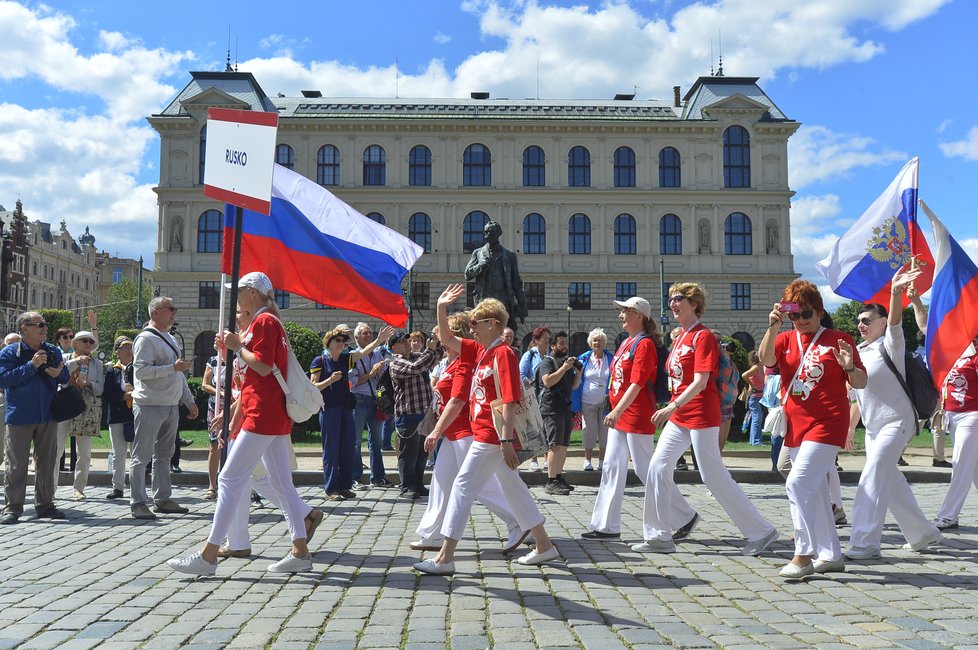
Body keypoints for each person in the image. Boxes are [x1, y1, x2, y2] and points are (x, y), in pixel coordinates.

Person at [166, 272, 320, 575]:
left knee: (229, 480)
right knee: (280, 483)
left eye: (239, 291)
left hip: (262, 413)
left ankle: (208, 555)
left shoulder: (265, 322)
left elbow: (263, 367)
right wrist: (235, 349)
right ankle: (299, 551)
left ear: (253, 293)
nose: (236, 296)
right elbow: (255, 373)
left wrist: (237, 346)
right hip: (263, 411)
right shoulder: (267, 321)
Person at [414, 284, 559, 575]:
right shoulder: (481, 351)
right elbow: (445, 337)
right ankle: (544, 545)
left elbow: (508, 398)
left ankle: (445, 558)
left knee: (463, 486)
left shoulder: (503, 353)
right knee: (514, 488)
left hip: (491, 435)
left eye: (475, 324)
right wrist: (441, 307)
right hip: (486, 433)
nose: (471, 329)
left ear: (492, 323)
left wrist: (505, 439)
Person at [637, 283, 778, 556]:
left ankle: (761, 531)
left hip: (701, 413)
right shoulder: (680, 338)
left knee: (712, 476)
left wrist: (671, 406)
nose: (672, 304)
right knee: (656, 468)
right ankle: (658, 536)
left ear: (694, 303)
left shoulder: (703, 337)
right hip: (681, 415)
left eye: (678, 299)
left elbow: (701, 382)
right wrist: (674, 407)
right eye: (670, 300)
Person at [759, 280, 866, 579]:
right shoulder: (783, 339)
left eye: (807, 313)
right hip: (796, 423)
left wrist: (848, 367)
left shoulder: (838, 338)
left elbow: (861, 383)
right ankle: (831, 554)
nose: (801, 320)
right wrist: (772, 327)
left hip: (829, 421)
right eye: (794, 314)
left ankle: (803, 554)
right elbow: (767, 361)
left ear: (819, 312)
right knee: (816, 491)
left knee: (797, 483)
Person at [844, 269, 944, 560]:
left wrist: (896, 293)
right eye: (858, 321)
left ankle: (864, 542)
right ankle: (921, 532)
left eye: (866, 320)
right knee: (891, 483)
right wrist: (851, 428)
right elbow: (858, 397)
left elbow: (897, 324)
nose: (860, 325)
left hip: (898, 422)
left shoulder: (891, 344)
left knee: (872, 477)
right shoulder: (858, 351)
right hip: (873, 428)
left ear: (882, 322)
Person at [411, 312, 524, 552]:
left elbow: (457, 401)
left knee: (481, 486)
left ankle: (519, 520)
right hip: (454, 434)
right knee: (441, 482)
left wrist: (436, 431)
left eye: (439, 335)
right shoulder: (450, 363)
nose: (437, 340)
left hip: (466, 432)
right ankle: (432, 532)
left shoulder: (464, 363)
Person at [582, 297, 672, 543]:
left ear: (639, 315)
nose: (621, 315)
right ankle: (606, 526)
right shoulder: (625, 343)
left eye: (626, 311)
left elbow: (637, 383)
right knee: (611, 467)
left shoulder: (644, 344)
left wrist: (616, 410)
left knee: (646, 469)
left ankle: (681, 516)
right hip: (622, 414)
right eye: (621, 311)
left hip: (636, 413)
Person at [129, 296, 199, 520]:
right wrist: (171, 367)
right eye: (171, 308)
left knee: (164, 455)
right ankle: (138, 502)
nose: (174, 313)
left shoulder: (169, 337)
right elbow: (141, 373)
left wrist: (188, 399)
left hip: (170, 404)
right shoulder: (145, 339)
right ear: (156, 312)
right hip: (149, 404)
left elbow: (178, 374)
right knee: (142, 456)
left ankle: (162, 498)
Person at [0, 312, 69, 524]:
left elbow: (65, 376)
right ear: (24, 328)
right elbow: (4, 380)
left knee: (47, 463)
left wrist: (60, 375)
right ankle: (13, 508)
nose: (44, 328)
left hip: (47, 415)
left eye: (44, 324)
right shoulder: (10, 352)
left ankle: (46, 505)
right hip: (20, 415)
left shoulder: (52, 350)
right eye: (38, 324)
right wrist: (32, 365)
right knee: (16, 464)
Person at [311, 324, 393, 501]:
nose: (342, 343)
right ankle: (331, 488)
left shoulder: (346, 358)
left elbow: (363, 353)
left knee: (348, 447)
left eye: (344, 340)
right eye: (338, 340)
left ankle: (345, 486)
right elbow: (313, 387)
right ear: (329, 342)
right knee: (331, 449)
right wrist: (329, 381)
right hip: (329, 409)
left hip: (346, 408)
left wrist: (379, 340)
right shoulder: (320, 361)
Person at [388, 331, 443, 499]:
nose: (407, 343)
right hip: (408, 413)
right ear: (394, 347)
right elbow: (416, 367)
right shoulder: (395, 362)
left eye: (407, 340)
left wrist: (437, 341)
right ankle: (407, 486)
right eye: (402, 341)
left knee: (422, 454)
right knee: (408, 455)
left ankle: (418, 484)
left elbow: (435, 357)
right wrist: (429, 350)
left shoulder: (417, 356)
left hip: (424, 413)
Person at [932, 337, 978, 531]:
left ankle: (948, 515)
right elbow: (927, 326)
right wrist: (917, 304)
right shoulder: (952, 349)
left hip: (972, 415)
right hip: (952, 416)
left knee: (960, 465)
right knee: (974, 468)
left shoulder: (975, 352)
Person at [55, 331, 104, 500]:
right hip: (65, 404)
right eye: (84, 341)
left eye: (91, 342)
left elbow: (100, 388)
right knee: (57, 449)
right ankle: (51, 488)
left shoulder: (96, 363)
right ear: (75, 343)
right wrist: (76, 362)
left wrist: (89, 384)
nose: (88, 344)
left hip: (86, 408)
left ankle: (79, 488)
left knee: (84, 452)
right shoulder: (65, 357)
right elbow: (60, 379)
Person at [349, 322, 394, 488]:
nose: (368, 335)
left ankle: (378, 478)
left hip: (376, 400)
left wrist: (382, 371)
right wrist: (371, 373)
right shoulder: (353, 355)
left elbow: (381, 377)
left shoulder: (377, 354)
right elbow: (352, 382)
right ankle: (355, 478)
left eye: (369, 333)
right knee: (355, 441)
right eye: (364, 333)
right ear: (356, 338)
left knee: (376, 441)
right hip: (359, 400)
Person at [536, 330, 581, 495]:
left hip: (564, 408)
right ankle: (551, 480)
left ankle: (559, 476)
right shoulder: (548, 362)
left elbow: (574, 386)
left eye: (566, 343)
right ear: (553, 346)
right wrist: (564, 368)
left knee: (563, 445)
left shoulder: (565, 363)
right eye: (561, 343)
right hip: (551, 408)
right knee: (554, 445)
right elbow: (547, 382)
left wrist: (578, 372)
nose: (565, 346)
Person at [463, 220, 529, 332]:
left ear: (498, 234)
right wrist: (481, 265)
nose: (486, 235)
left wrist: (522, 305)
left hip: (504, 303)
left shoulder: (509, 256)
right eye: (485, 232)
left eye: (489, 232)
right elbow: (467, 274)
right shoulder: (478, 253)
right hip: (484, 302)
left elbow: (516, 283)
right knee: (483, 333)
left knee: (505, 334)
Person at [572, 328, 613, 471]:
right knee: (589, 430)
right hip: (587, 399)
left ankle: (602, 460)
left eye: (600, 340)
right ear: (590, 343)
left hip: (606, 401)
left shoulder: (611, 358)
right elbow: (575, 375)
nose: (597, 343)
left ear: (605, 343)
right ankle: (587, 460)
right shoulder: (584, 358)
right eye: (595, 340)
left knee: (605, 431)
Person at [103, 337, 135, 500]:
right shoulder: (111, 370)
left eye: (131, 347)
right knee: (119, 453)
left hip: (135, 415)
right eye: (125, 348)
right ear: (117, 351)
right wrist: (122, 397)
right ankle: (118, 487)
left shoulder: (138, 368)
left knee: (137, 454)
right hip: (117, 416)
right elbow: (107, 394)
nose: (129, 350)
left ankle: (137, 486)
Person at [519, 327, 550, 472]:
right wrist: (530, 383)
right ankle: (534, 460)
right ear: (536, 341)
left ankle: (547, 458)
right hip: (533, 396)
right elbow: (521, 374)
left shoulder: (550, 356)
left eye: (549, 339)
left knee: (546, 427)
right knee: (534, 427)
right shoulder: (529, 355)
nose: (547, 342)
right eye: (544, 339)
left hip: (547, 396)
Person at [200, 355, 222, 499]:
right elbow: (205, 384)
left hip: (235, 406)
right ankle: (212, 486)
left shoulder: (238, 358)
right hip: (215, 407)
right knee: (214, 445)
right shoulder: (213, 360)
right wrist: (218, 392)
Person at [0, 333, 21, 469]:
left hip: (21, 405)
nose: (13, 346)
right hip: (3, 401)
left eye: (16, 343)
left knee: (17, 446)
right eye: (10, 343)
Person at [742, 351, 767, 446]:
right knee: (757, 418)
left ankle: (754, 441)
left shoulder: (761, 368)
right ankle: (756, 441)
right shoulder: (756, 368)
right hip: (754, 397)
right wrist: (752, 385)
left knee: (757, 418)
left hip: (759, 397)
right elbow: (744, 375)